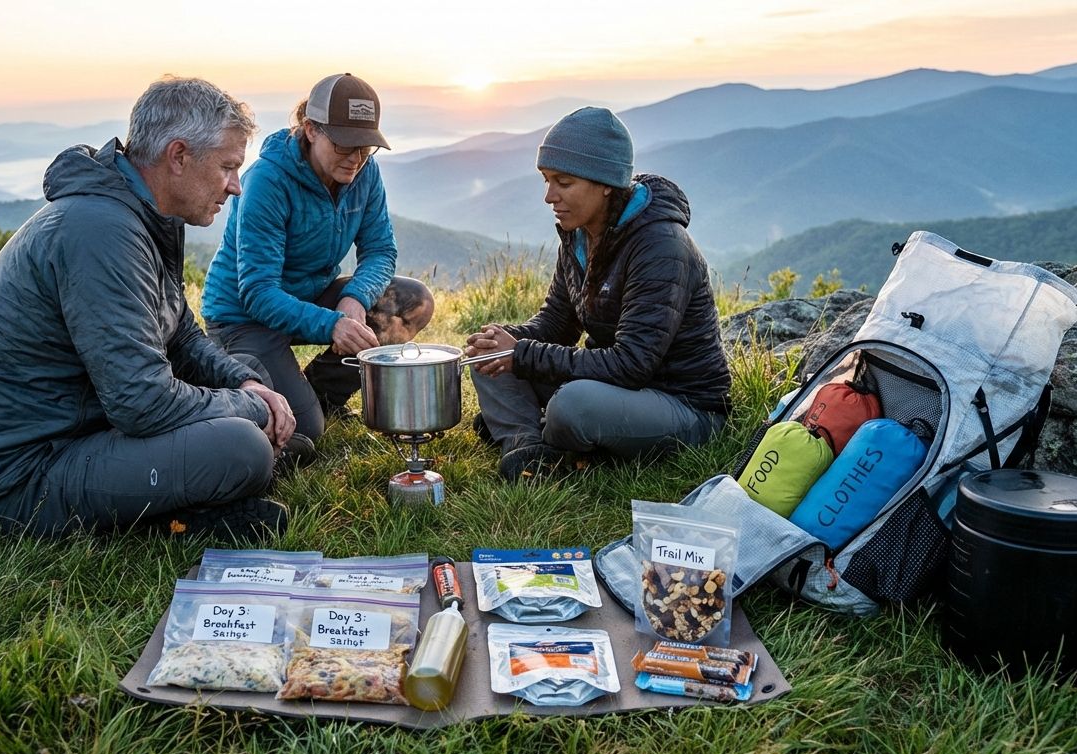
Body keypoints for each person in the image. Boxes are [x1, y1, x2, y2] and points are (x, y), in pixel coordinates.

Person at [0, 76, 295, 538]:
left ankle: (215, 476)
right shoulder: (100, 232)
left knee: (246, 367)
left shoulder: (145, 213)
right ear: (179, 156)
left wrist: (244, 384)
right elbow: (142, 403)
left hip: (88, 426)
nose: (234, 187)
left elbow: (183, 336)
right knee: (242, 448)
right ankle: (175, 519)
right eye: (228, 167)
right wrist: (251, 408)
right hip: (26, 477)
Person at [465, 106, 731, 482]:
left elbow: (632, 363)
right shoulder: (579, 234)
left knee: (573, 407)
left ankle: (532, 425)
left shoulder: (661, 246)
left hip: (682, 405)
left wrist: (521, 354)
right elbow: (557, 324)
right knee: (489, 356)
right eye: (546, 180)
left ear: (605, 182)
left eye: (563, 182)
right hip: (618, 389)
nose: (549, 196)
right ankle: (528, 448)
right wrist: (504, 342)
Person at [201, 73, 434, 444]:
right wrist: (332, 325)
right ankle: (231, 377)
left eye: (365, 146)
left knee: (411, 301)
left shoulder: (364, 173)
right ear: (311, 130)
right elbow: (258, 292)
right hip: (243, 318)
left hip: (310, 296)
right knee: (303, 433)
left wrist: (354, 299)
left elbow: (380, 250)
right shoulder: (268, 181)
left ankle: (320, 392)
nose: (356, 158)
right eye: (345, 144)